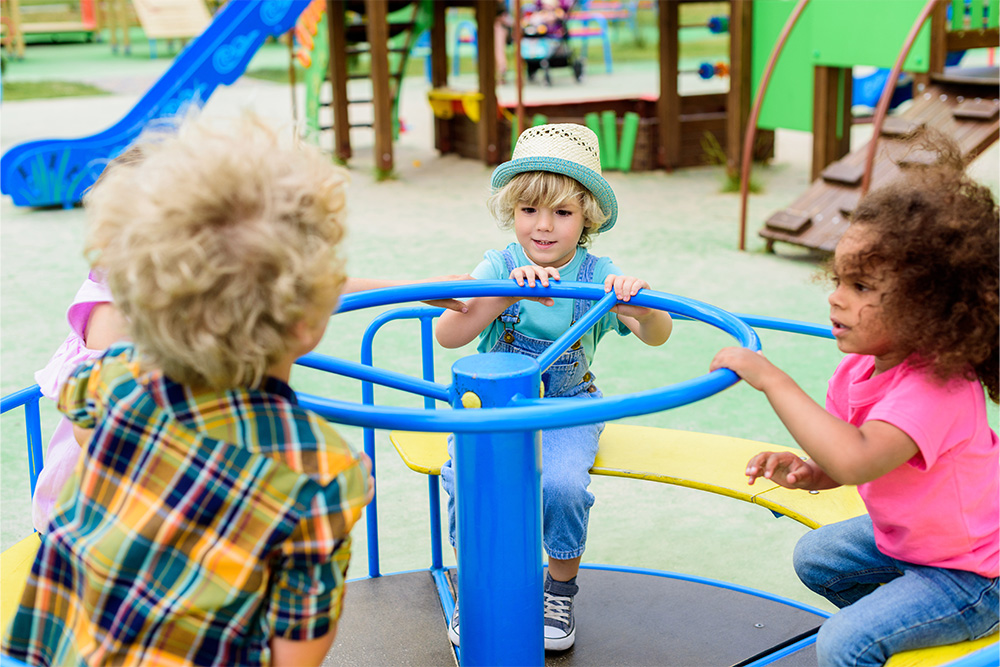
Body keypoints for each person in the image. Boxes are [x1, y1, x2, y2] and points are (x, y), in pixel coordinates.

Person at [3, 114, 376, 667]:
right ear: (310, 318)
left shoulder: (113, 379)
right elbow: (299, 651)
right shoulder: (321, 469)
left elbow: (88, 422)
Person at [27, 154, 470, 535]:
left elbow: (302, 287)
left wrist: (411, 287)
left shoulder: (195, 278)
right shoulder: (114, 311)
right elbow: (114, 444)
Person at [710, 131, 999, 667]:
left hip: (972, 574)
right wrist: (809, 470)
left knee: (844, 642)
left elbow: (858, 455)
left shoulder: (937, 388)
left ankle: (895, 634)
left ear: (929, 307)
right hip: (916, 544)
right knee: (818, 558)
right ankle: (905, 629)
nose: (836, 297)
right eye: (840, 278)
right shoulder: (857, 370)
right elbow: (844, 462)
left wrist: (774, 380)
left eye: (862, 288)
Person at [435, 123, 673, 651]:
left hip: (567, 404)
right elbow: (448, 334)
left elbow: (656, 335)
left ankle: (558, 590)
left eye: (562, 213)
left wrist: (639, 301)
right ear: (512, 211)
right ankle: (476, 589)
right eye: (529, 211)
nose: (543, 228)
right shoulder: (499, 265)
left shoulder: (597, 275)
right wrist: (499, 296)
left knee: (561, 487)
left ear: (586, 217)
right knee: (470, 488)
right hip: (492, 408)